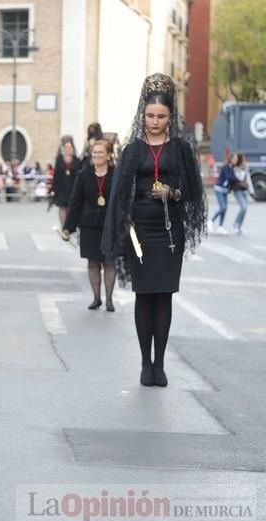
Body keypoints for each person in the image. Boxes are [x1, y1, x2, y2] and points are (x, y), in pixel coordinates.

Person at [101, 73, 206, 388]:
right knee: (144, 296)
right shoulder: (133, 149)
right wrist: (121, 226)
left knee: (164, 297)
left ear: (170, 117)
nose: (155, 121)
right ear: (142, 115)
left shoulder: (180, 149)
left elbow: (194, 192)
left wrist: (172, 193)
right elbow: (119, 191)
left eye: (161, 116)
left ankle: (160, 363)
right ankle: (145, 363)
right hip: (141, 231)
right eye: (150, 116)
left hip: (170, 231)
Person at [62, 139, 116, 311]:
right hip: (89, 224)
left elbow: (123, 199)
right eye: (94, 152)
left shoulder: (117, 175)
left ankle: (109, 299)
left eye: (101, 152)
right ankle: (96, 298)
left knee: (109, 262)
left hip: (110, 224)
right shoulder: (83, 175)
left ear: (108, 155)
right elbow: (75, 201)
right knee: (93, 263)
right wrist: (68, 227)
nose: (97, 155)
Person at [51, 138, 81, 226]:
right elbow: (56, 174)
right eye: (66, 147)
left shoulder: (76, 160)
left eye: (70, 147)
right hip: (61, 188)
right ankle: (63, 226)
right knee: (62, 207)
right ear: (63, 148)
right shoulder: (59, 160)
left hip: (72, 187)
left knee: (70, 208)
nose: (68, 149)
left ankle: (69, 225)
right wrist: (54, 188)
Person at [209, 152, 237, 235]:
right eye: (235, 158)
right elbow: (229, 177)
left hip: (225, 190)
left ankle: (220, 227)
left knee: (225, 209)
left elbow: (232, 179)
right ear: (231, 159)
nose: (236, 160)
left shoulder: (231, 167)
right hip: (219, 189)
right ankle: (211, 221)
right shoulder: (226, 167)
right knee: (223, 207)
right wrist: (236, 178)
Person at [231, 153, 253, 235]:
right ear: (240, 159)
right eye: (243, 159)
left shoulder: (246, 166)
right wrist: (242, 169)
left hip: (245, 190)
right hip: (238, 190)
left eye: (245, 159)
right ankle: (235, 225)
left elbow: (248, 179)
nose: (245, 160)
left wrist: (251, 190)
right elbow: (238, 178)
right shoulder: (235, 167)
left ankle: (239, 226)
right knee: (243, 208)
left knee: (245, 209)